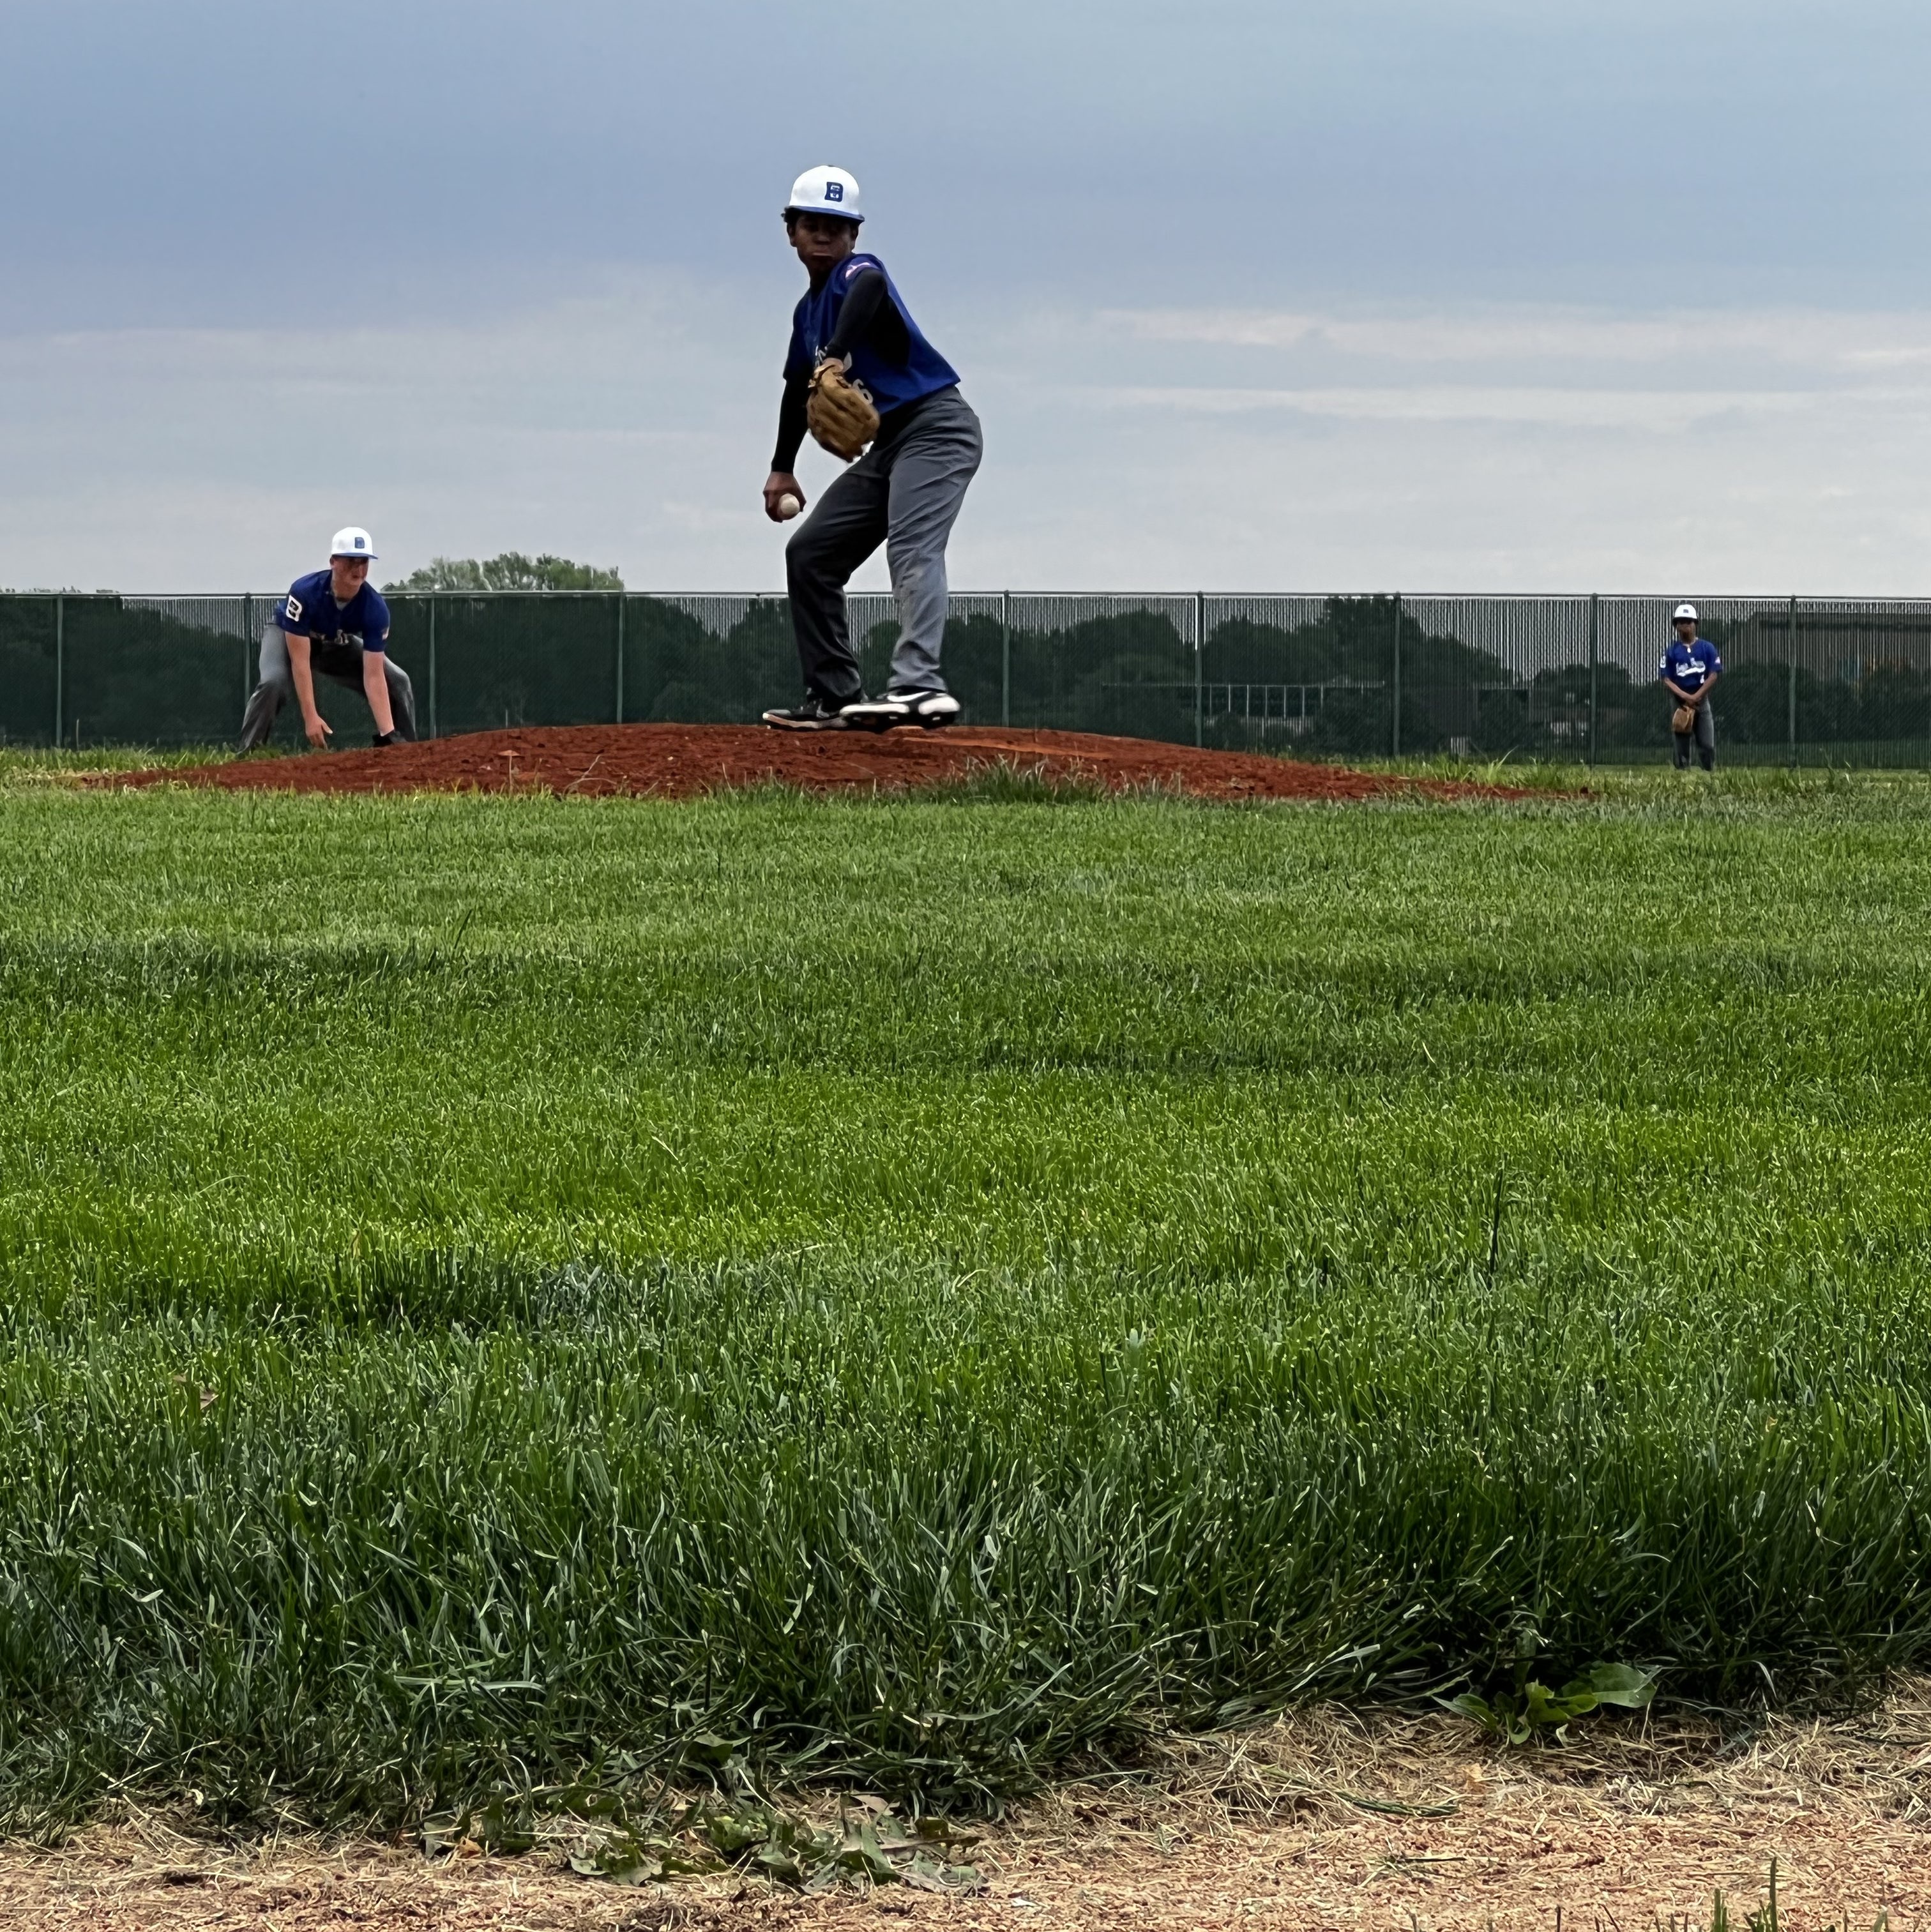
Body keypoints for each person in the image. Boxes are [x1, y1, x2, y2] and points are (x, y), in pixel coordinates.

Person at [760, 165, 983, 732]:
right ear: (792, 230)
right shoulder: (805, 315)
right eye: (814, 223)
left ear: (854, 235)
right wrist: (782, 468)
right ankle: (835, 695)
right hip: (889, 447)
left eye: (839, 225)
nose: (826, 234)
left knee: (912, 548)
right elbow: (795, 388)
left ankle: (918, 686)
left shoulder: (858, 273)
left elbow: (871, 290)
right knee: (809, 554)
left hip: (936, 428)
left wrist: (835, 353)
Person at [239, 528, 416, 751]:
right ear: (333, 561)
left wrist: (387, 731)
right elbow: (301, 662)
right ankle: (249, 753)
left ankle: (406, 753)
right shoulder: (304, 592)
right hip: (288, 636)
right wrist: (311, 717)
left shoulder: (375, 608)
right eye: (350, 560)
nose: (358, 568)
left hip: (336, 643)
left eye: (364, 561)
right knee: (273, 682)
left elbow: (373, 675)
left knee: (399, 680)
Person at [1659, 602, 1721, 771]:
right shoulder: (1671, 650)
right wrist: (1686, 697)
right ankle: (1682, 778)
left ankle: (1709, 774)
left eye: (1688, 621)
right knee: (1681, 747)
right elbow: (1667, 679)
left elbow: (1714, 674)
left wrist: (1696, 696)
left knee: (1707, 744)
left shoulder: (1707, 648)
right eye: (1680, 622)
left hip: (1702, 700)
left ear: (1696, 624)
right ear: (1676, 626)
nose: (1684, 625)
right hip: (1680, 703)